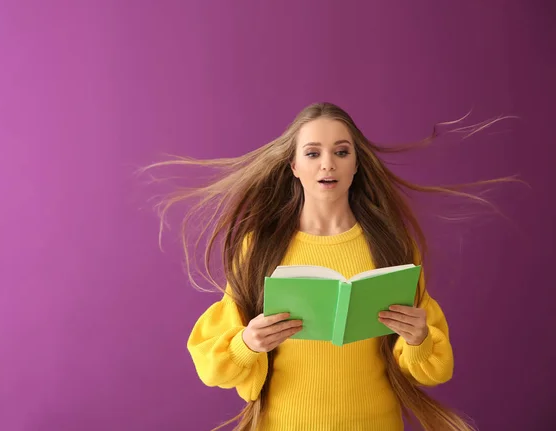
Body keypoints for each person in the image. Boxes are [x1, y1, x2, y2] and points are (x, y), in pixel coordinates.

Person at [143, 103, 512, 430]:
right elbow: (213, 366)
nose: (327, 163)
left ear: (356, 165)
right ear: (294, 166)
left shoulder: (395, 247)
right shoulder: (257, 248)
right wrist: (247, 343)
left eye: (341, 151)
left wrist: (418, 339)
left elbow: (431, 369)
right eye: (313, 152)